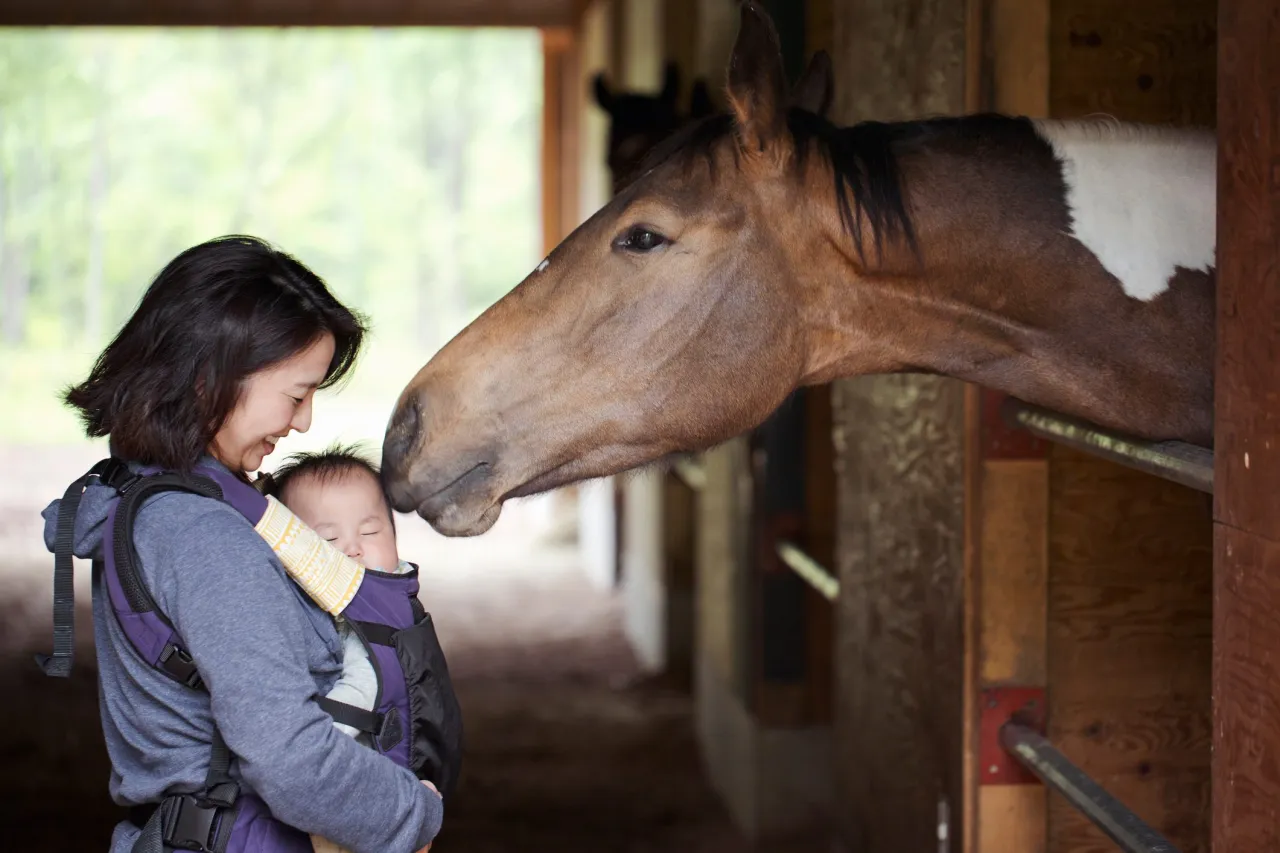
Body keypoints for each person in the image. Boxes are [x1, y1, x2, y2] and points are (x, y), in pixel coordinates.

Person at [40, 235, 442, 853]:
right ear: (212, 379)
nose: (304, 421)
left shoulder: (150, 497)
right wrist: (413, 813)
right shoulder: (205, 537)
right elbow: (291, 760)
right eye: (297, 395)